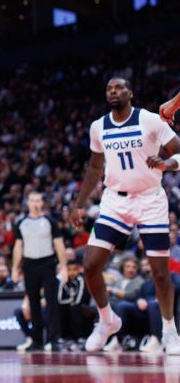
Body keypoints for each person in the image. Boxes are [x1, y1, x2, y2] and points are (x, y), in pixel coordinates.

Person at [72, 77, 180, 353]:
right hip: (115, 202)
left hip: (150, 201)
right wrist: (79, 203)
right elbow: (95, 168)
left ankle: (169, 330)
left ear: (130, 93)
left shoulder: (150, 120)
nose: (113, 91)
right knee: (91, 264)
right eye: (108, 88)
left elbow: (178, 151)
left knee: (159, 273)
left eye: (119, 87)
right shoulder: (98, 127)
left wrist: (167, 164)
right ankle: (108, 320)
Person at [11, 191, 67, 351]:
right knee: (33, 303)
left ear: (42, 203)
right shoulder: (21, 223)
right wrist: (15, 268)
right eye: (32, 200)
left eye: (38, 200)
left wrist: (63, 266)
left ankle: (54, 339)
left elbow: (59, 244)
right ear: (27, 203)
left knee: (52, 302)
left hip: (48, 263)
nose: (35, 203)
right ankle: (36, 340)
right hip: (29, 265)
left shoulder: (50, 221)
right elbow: (18, 246)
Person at [57, 259, 94, 349]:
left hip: (83, 308)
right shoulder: (63, 281)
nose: (72, 272)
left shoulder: (82, 280)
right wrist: (70, 301)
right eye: (69, 270)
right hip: (68, 307)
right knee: (60, 309)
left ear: (78, 269)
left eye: (74, 269)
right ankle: (64, 338)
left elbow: (79, 300)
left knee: (75, 308)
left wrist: (70, 301)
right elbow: (60, 299)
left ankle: (79, 338)